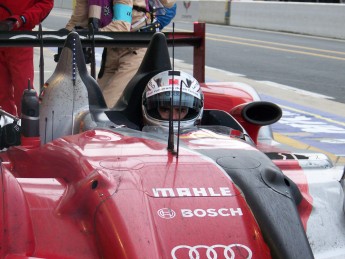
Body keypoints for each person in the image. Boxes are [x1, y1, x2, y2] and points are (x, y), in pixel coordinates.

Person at [65, 0, 177, 108]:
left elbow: (121, 26)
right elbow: (78, 21)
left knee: (107, 106)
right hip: (112, 49)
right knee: (91, 105)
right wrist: (65, 37)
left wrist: (89, 35)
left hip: (135, 48)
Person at [0, 1, 54, 116]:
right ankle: (6, 129)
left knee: (24, 92)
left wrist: (22, 19)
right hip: (12, 33)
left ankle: (28, 131)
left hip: (20, 37)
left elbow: (46, 3)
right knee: (2, 94)